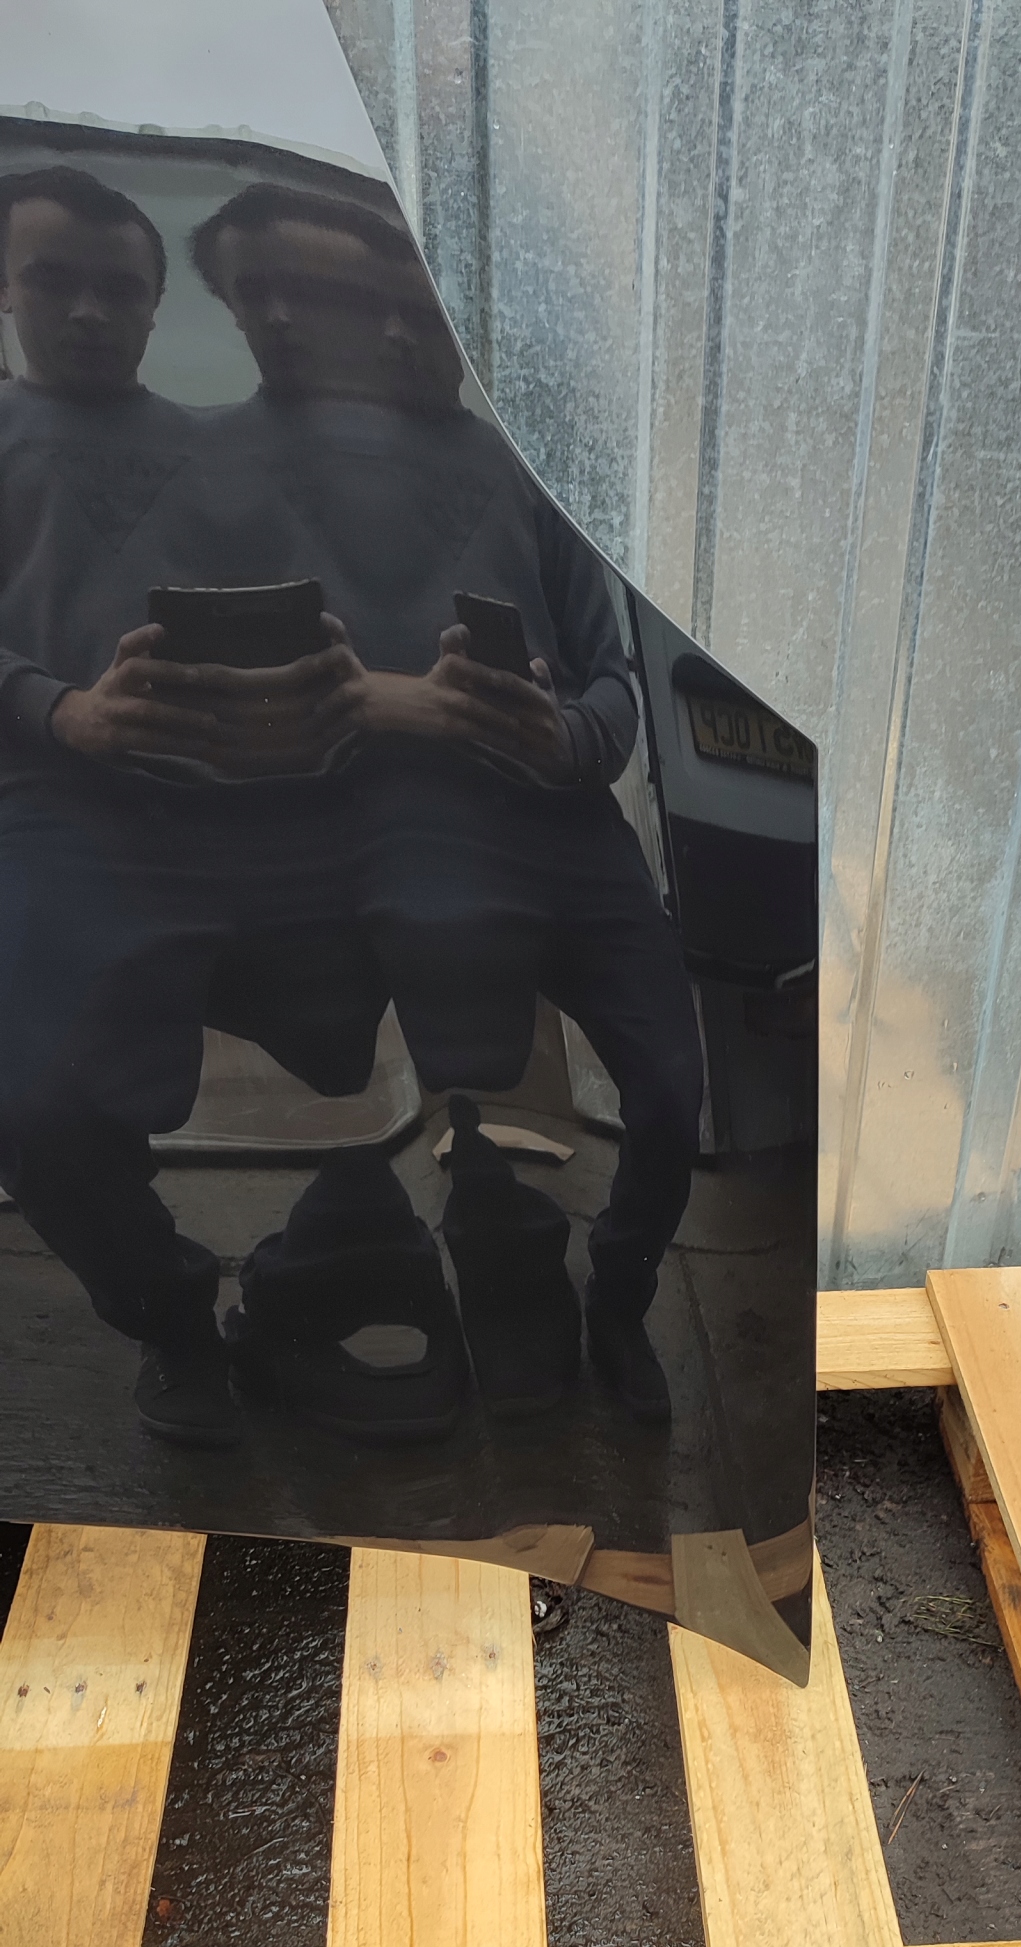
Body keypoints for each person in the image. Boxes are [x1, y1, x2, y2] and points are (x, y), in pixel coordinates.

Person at [191, 182, 704, 1422]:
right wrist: (384, 709)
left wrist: (560, 736)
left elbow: (613, 680)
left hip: (566, 836)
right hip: (375, 849)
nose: (401, 337)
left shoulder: (531, 472)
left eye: (432, 318)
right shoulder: (233, 468)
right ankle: (442, 1284)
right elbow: (217, 691)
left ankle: (618, 1298)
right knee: (423, 1093)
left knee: (670, 1091)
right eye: (374, 310)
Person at [0, 163, 469, 1449]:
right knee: (38, 1103)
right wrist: (62, 710)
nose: (87, 311)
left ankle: (421, 1245)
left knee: (433, 960)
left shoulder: (224, 452)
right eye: (54, 280)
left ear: (154, 306)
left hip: (258, 812)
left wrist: (339, 701)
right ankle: (172, 1317)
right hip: (54, 816)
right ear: (6, 287)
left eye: (117, 288)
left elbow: (333, 609)